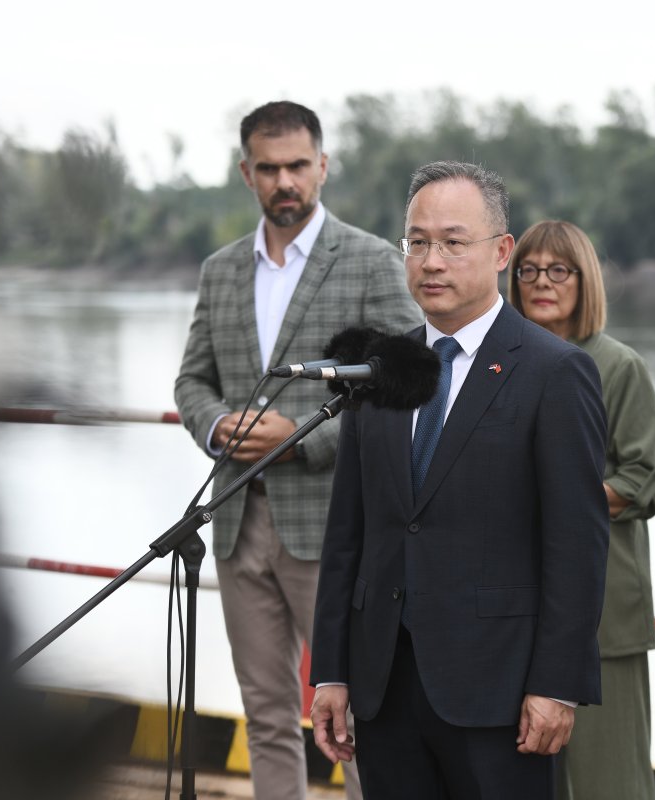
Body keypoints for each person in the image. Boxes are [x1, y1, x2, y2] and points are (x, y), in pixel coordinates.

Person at [309, 161, 610, 800]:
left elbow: (576, 544)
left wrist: (556, 684)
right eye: (417, 242)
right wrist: (331, 671)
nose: (431, 262)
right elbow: (348, 533)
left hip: (499, 688)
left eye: (452, 242)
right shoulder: (378, 370)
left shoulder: (554, 371)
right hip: (384, 683)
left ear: (501, 251)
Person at [174, 101, 422, 800]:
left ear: (323, 166)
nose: (284, 181)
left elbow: (410, 384)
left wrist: (304, 437)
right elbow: (192, 380)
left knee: (359, 714)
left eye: (297, 166)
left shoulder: (372, 260)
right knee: (266, 714)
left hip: (335, 527)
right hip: (236, 522)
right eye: (269, 168)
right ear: (246, 173)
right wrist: (216, 426)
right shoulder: (221, 270)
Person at [507, 220, 655, 800]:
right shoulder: (501, 366)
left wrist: (559, 499)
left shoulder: (618, 366)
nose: (541, 282)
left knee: (611, 784)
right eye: (528, 270)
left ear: (586, 280)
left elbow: (646, 480)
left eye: (559, 270)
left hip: (605, 615)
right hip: (513, 607)